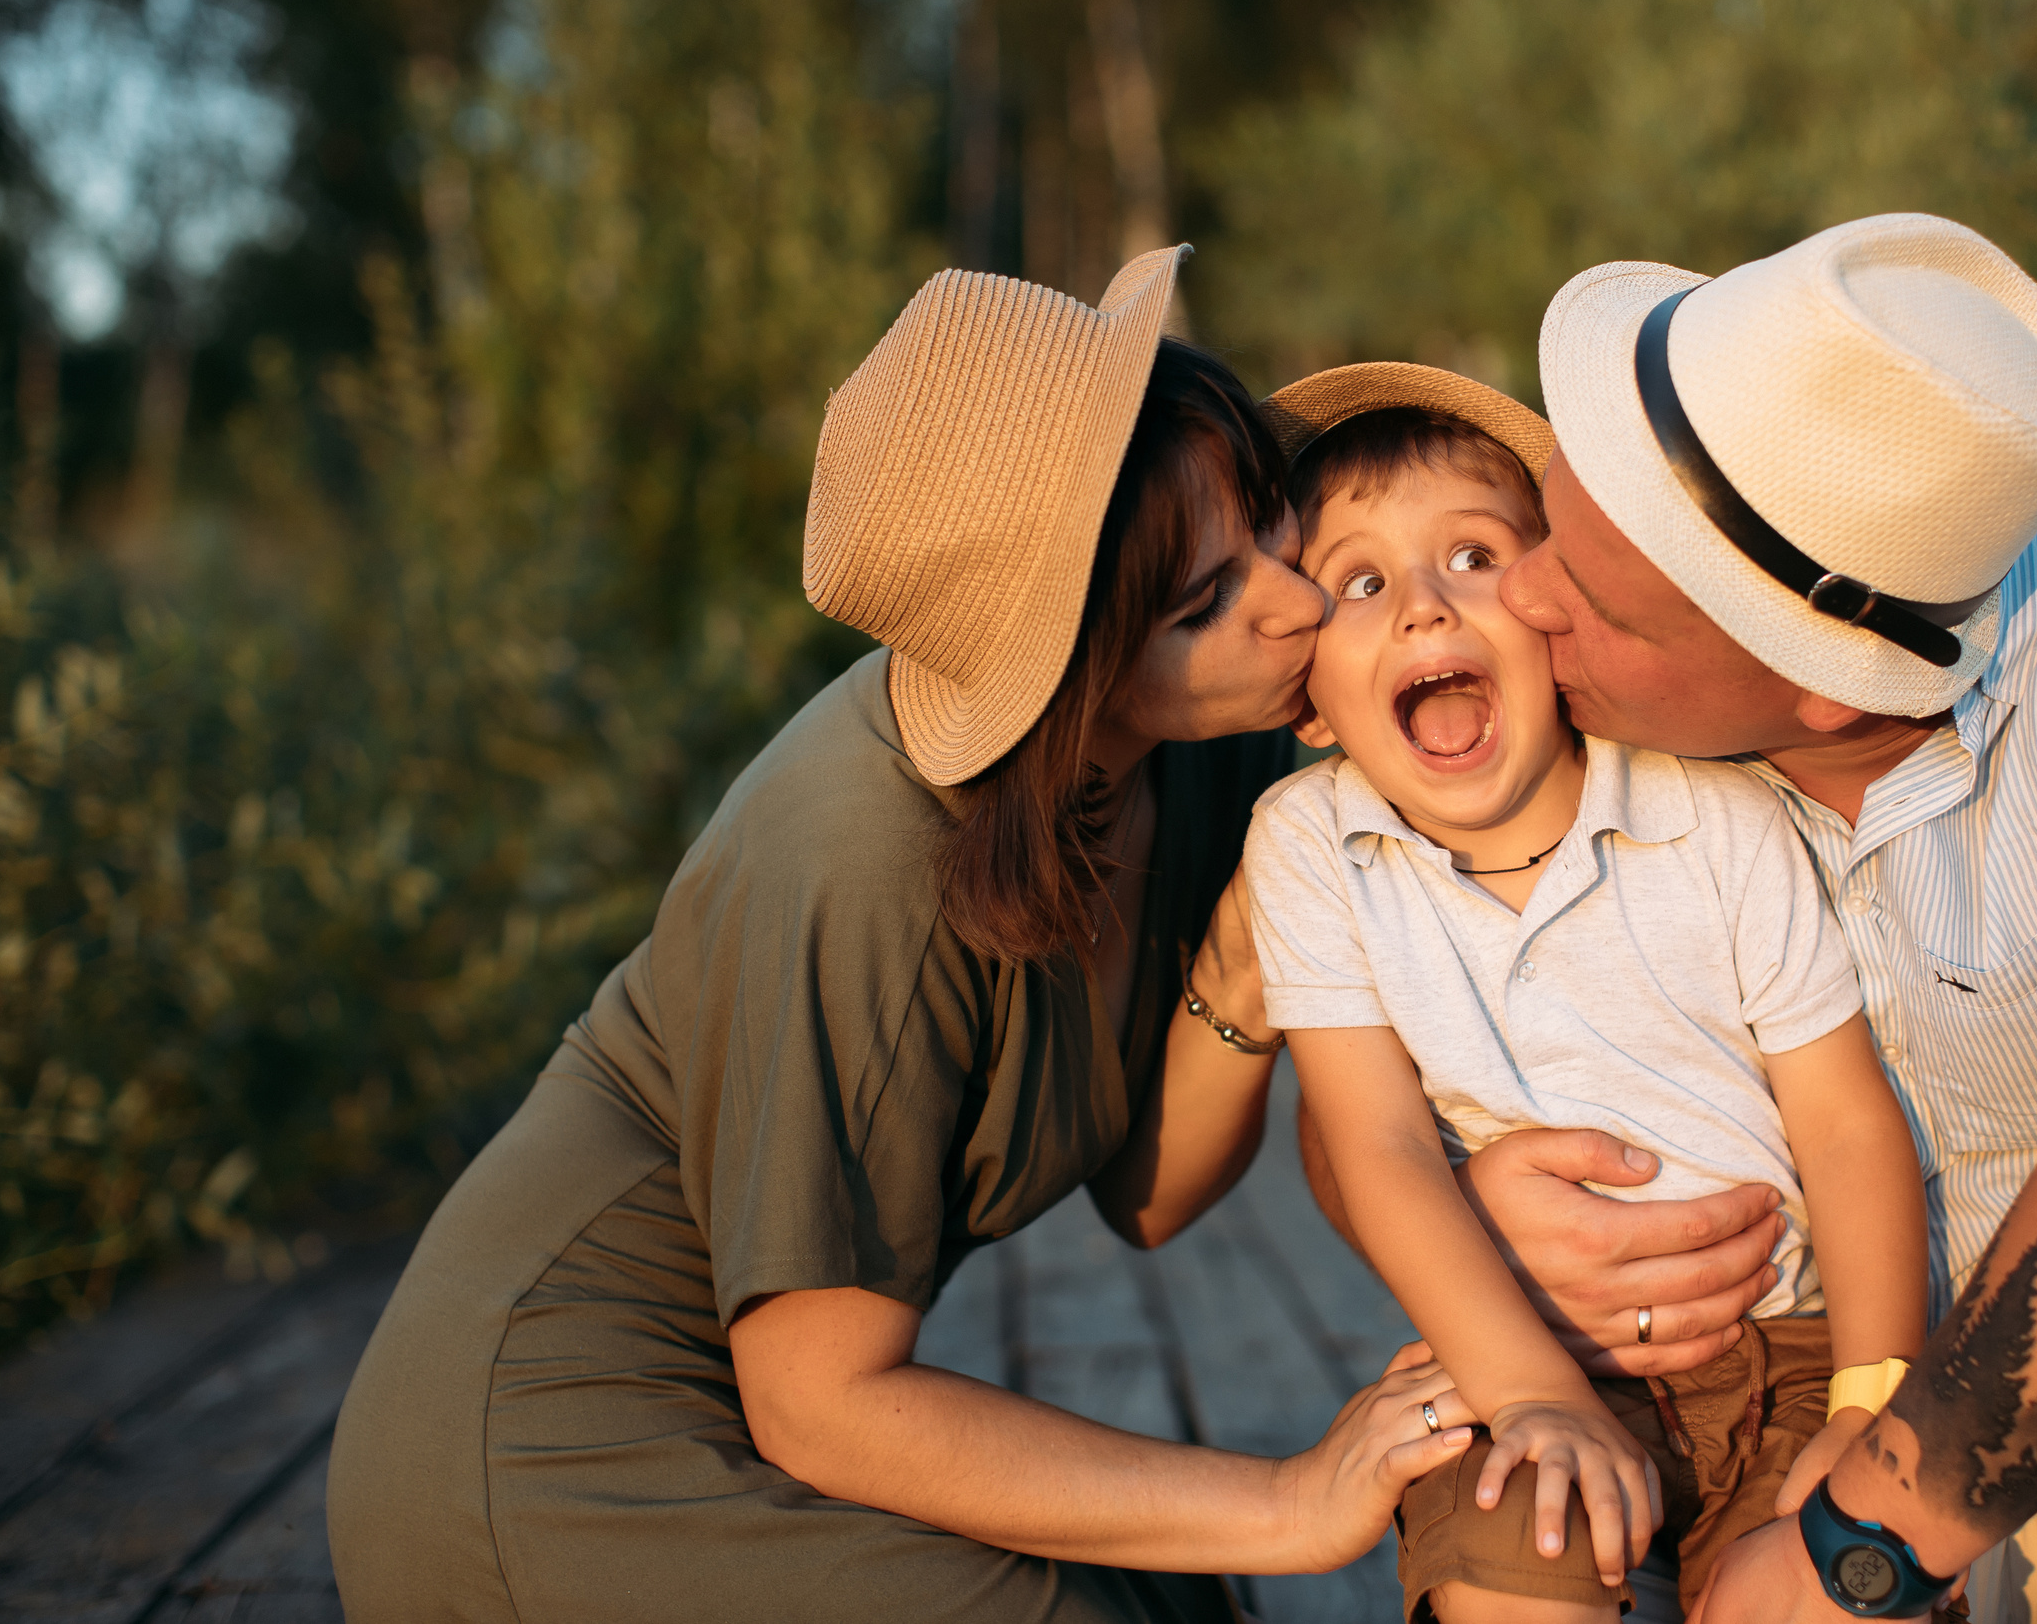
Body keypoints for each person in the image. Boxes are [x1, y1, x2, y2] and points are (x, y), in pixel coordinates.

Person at [1289, 213, 2037, 1622]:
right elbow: (1368, 1046)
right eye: (1550, 526)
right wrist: (1456, 1203)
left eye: (1592, 597)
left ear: (1818, 684)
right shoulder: (1592, 737)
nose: (1524, 597)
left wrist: (1869, 1540)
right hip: (1773, 1428)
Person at [325, 249, 1484, 1624]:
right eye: (1202, 604)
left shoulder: (1205, 733)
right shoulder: (867, 853)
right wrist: (1292, 1494)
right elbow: (822, 1398)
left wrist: (1239, 966)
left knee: (1183, 1604)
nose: (1294, 604)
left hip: (769, 1418)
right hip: (555, 1442)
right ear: (1064, 663)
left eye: (1266, 524)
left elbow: (1147, 1192)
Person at [1238, 369, 1933, 1623]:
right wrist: (1530, 1395)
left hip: (1794, 1347)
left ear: (1554, 614)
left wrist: (1871, 1406)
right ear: (1310, 707)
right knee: (1512, 1582)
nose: (1420, 608)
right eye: (1358, 581)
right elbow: (1378, 1142)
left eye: (1471, 554)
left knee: (1823, 1595)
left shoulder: (1710, 813)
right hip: (1524, 1348)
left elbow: (1840, 1120)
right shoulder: (1308, 847)